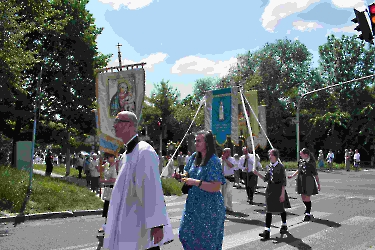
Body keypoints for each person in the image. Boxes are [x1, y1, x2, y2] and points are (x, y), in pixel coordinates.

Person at [104, 111, 174, 250]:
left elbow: (151, 189)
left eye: (118, 121)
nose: (114, 125)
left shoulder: (144, 151)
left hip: (139, 224)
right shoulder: (125, 154)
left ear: (129, 124)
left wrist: (157, 225)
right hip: (126, 221)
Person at [179, 130, 226, 249]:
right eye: (195, 140)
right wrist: (181, 177)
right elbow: (187, 173)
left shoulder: (214, 161)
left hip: (210, 208)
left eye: (199, 141)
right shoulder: (194, 157)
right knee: (185, 234)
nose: (196, 143)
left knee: (206, 242)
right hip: (193, 205)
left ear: (207, 143)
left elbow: (216, 186)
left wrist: (195, 182)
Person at [253, 148, 291, 240]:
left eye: (271, 155)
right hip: (270, 189)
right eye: (269, 155)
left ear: (275, 156)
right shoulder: (269, 166)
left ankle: (284, 224)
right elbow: (266, 179)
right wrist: (257, 173)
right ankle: (267, 231)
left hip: (278, 189)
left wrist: (282, 194)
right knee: (268, 210)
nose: (269, 157)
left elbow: (283, 182)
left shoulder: (280, 167)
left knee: (281, 208)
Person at [288, 148, 321, 222]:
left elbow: (315, 174)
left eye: (301, 154)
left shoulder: (311, 163)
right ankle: (307, 209)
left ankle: (307, 213)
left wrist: (318, 184)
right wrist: (292, 176)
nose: (300, 155)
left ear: (306, 155)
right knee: (303, 197)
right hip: (301, 180)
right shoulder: (300, 161)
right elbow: (298, 170)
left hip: (309, 181)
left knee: (307, 197)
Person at [98, 153, 118, 236]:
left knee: (112, 207)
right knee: (106, 207)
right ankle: (106, 225)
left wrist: (105, 180)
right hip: (107, 188)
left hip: (113, 188)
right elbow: (102, 173)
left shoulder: (116, 166)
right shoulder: (107, 165)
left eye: (111, 157)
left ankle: (113, 226)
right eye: (108, 157)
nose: (109, 158)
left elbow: (114, 178)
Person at [220, 148, 236, 213]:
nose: (229, 153)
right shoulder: (219, 159)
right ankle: (223, 207)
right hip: (222, 178)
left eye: (229, 152)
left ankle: (229, 207)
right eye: (227, 152)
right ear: (224, 152)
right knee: (223, 193)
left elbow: (231, 166)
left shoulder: (232, 159)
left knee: (229, 193)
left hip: (230, 178)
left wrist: (225, 160)